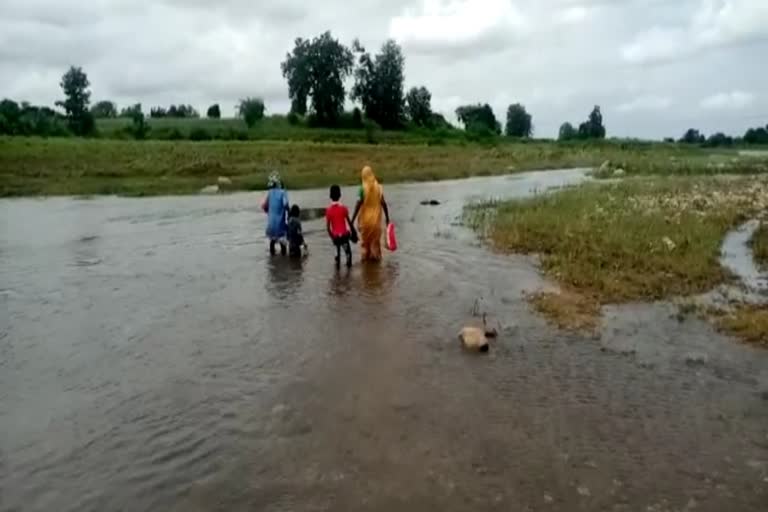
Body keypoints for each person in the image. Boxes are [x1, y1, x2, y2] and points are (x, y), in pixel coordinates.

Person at [351, 166, 389, 262]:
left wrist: (352, 220)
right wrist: (388, 218)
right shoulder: (379, 187)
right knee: (375, 245)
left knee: (365, 245)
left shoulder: (362, 189)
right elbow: (383, 203)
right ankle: (375, 266)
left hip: (365, 222)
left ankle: (366, 266)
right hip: (376, 222)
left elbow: (358, 204)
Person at [326, 184, 355, 268]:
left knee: (337, 260)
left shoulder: (328, 210)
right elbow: (349, 223)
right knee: (348, 256)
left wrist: (333, 238)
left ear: (330, 196)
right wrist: (353, 233)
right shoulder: (344, 208)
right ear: (340, 195)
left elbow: (328, 228)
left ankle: (337, 277)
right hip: (344, 237)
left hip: (335, 238)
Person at [262, 171, 289, 255]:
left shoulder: (269, 193)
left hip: (270, 226)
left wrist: (269, 213)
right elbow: (285, 204)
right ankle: (284, 259)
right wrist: (289, 212)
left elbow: (263, 206)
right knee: (283, 243)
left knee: (272, 241)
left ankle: (272, 257)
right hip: (280, 225)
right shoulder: (283, 193)